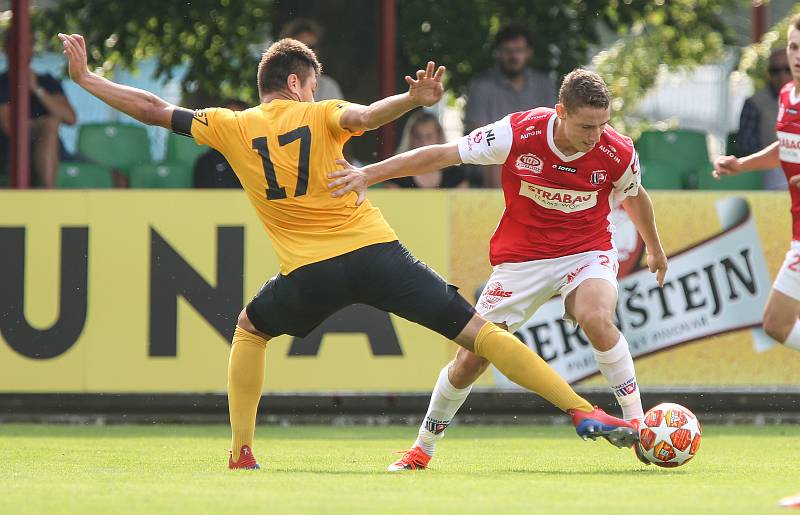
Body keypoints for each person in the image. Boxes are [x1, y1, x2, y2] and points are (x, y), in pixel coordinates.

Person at [59, 32, 636, 472]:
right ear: (296, 84)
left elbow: (154, 109)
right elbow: (362, 117)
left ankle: (240, 452)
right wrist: (409, 101)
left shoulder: (229, 125)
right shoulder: (318, 114)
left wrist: (87, 79)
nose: (316, 90)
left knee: (250, 329)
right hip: (376, 253)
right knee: (480, 334)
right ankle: (581, 407)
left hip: (308, 272)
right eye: (313, 82)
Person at [328, 68, 668, 470]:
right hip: (521, 260)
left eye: (603, 124)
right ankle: (422, 447)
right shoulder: (517, 133)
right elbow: (441, 154)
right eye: (586, 126)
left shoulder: (618, 152)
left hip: (586, 251)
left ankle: (638, 427)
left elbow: (636, 198)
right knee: (471, 358)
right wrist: (368, 172)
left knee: (596, 317)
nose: (595, 136)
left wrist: (655, 249)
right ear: (560, 111)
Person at [713, 13, 800, 357]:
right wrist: (742, 164)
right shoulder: (788, 96)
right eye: (793, 46)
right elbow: (787, 145)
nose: (797, 55)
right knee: (777, 324)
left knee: (775, 322)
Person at [464, 24, 556, 188]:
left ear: (529, 52)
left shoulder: (544, 85)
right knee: (493, 155)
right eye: (507, 51)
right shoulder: (481, 86)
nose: (513, 56)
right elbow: (479, 137)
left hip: (537, 162)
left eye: (519, 50)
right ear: (498, 53)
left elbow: (553, 129)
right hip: (491, 165)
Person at [0, 33, 77, 188]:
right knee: (50, 123)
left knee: (116, 177)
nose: (24, 48)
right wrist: (42, 125)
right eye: (18, 43)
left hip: (59, 153)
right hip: (12, 153)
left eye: (29, 43)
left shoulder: (47, 81)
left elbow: (70, 118)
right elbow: (8, 126)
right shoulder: (2, 83)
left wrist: (37, 89)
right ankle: (48, 195)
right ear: (7, 48)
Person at [736, 48, 791, 190]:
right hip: (771, 173)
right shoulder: (755, 103)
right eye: (775, 70)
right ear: (769, 73)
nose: (782, 75)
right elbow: (747, 148)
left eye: (788, 69)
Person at [385, 111, 467, 189]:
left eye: (429, 137)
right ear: (410, 139)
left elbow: (463, 201)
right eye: (418, 137)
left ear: (439, 138)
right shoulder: (396, 176)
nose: (423, 142)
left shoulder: (456, 175)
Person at [279, 18, 343, 101]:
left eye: (312, 47)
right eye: (300, 46)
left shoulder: (329, 86)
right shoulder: (276, 87)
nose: (307, 52)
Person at [192, 99, 247, 189]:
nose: (234, 126)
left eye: (239, 121)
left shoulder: (256, 156)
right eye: (229, 121)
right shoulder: (206, 162)